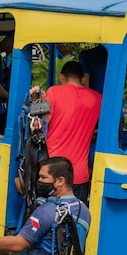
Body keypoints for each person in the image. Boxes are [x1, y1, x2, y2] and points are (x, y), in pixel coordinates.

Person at [31, 60, 101, 205]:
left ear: (62, 77)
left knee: (48, 220)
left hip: (53, 173)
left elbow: (38, 127)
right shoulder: (97, 98)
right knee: (75, 221)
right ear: (83, 79)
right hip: (79, 175)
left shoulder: (54, 92)